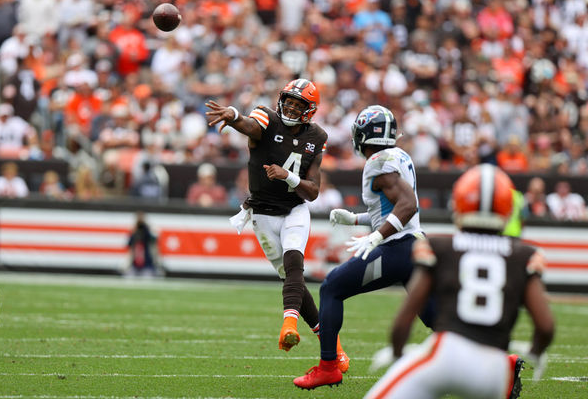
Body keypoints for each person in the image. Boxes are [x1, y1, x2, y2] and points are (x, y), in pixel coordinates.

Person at [363, 164, 555, 399]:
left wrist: (397, 351)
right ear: (507, 210)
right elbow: (545, 326)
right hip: (495, 371)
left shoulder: (440, 248)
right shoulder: (525, 256)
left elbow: (406, 316)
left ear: (459, 204)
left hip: (448, 355)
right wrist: (536, 351)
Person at [205, 79, 349, 372]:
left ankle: (288, 324)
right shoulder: (266, 117)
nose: (292, 107)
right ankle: (333, 347)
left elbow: (312, 191)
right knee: (292, 280)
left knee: (295, 265)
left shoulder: (317, 135)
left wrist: (288, 177)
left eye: (299, 104)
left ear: (309, 110)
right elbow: (250, 126)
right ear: (281, 99)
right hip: (262, 213)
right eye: (290, 101)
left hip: (295, 209)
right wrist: (233, 116)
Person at [294, 105, 434, 390]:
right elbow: (392, 207)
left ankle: (329, 367)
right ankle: (500, 363)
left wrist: (377, 237)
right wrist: (356, 219)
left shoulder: (378, 162)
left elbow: (408, 205)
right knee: (436, 317)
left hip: (397, 248)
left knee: (332, 287)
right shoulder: (398, 155)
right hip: (414, 246)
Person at [127, 212, 158, 277]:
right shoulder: (134, 233)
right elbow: (129, 246)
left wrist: (148, 229)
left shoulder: (147, 232)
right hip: (135, 264)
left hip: (146, 264)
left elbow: (154, 242)